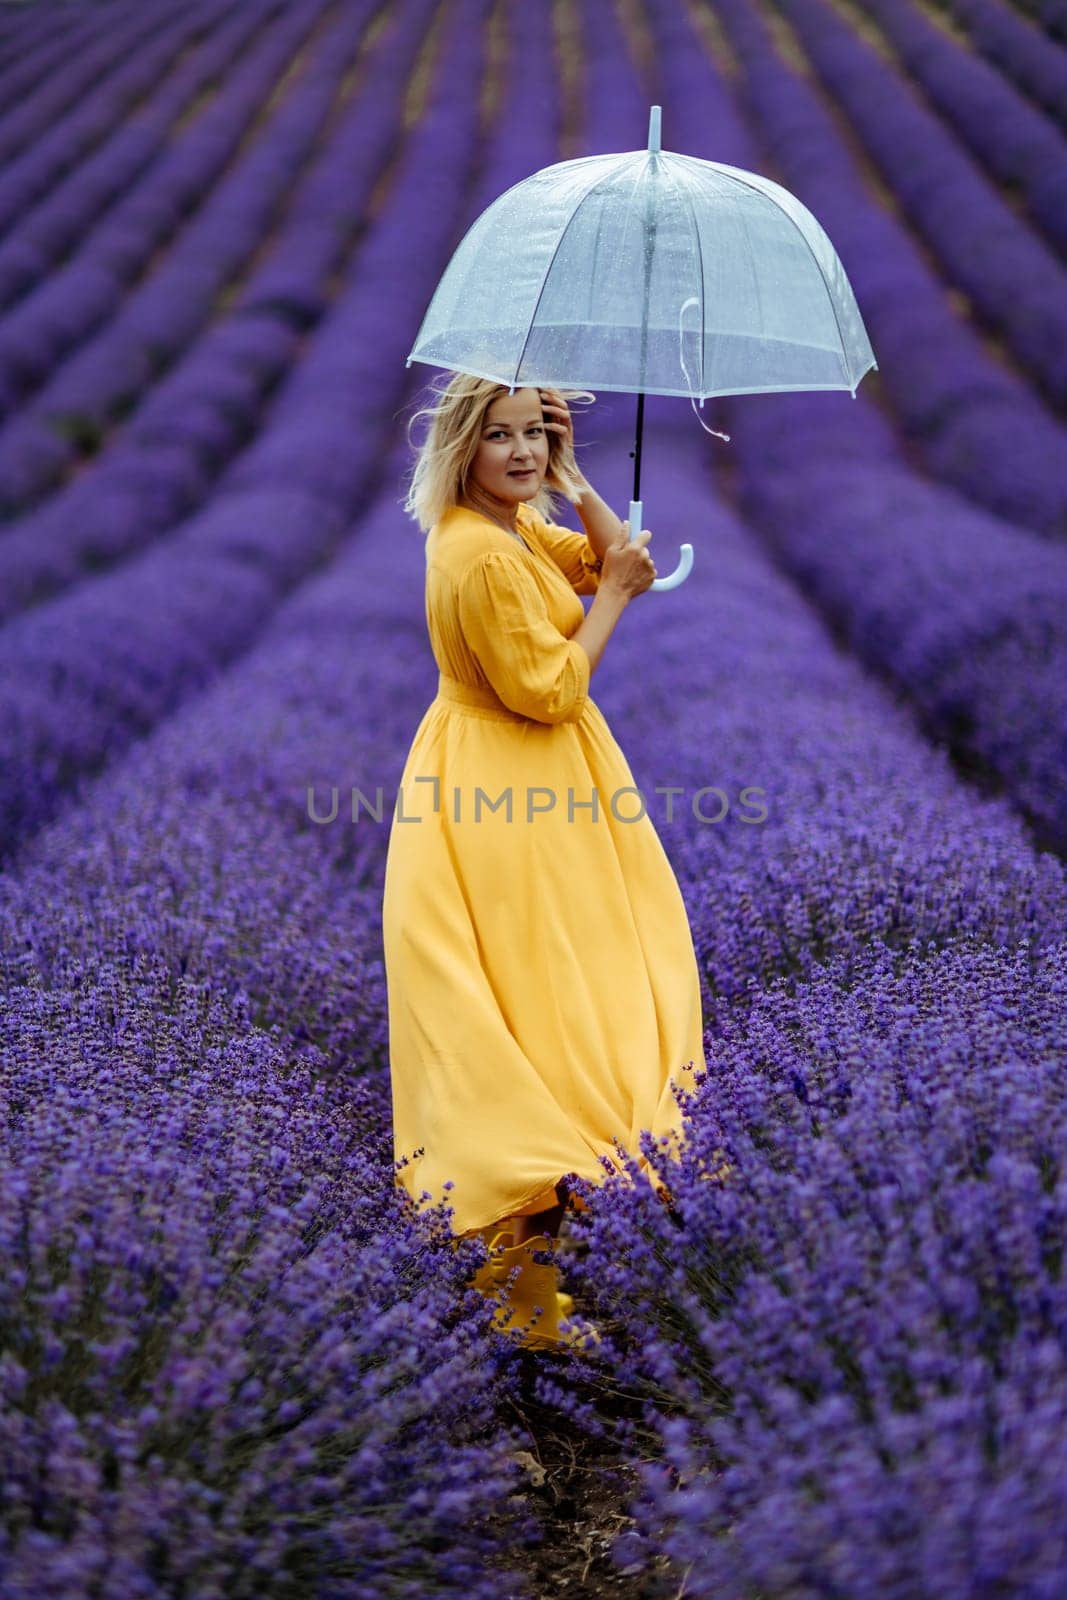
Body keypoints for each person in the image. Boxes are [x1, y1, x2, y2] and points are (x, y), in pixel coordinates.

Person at [383, 373, 707, 1348]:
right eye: (501, 437)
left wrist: (571, 483)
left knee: (545, 1007)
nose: (520, 452)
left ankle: (525, 1302)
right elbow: (547, 690)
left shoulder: (509, 528)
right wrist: (608, 600)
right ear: (460, 448)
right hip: (509, 792)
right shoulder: (478, 555)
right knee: (539, 1015)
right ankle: (523, 1302)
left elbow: (609, 558)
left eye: (537, 433)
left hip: (532, 786)